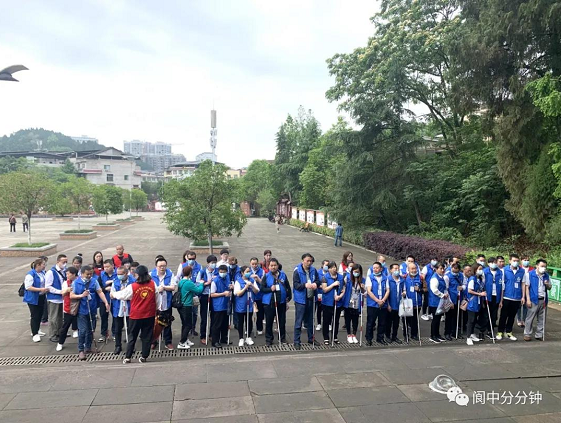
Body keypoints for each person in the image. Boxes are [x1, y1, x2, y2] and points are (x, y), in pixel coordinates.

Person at [111, 265, 161, 363]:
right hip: (149, 314)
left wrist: (113, 294)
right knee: (147, 336)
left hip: (136, 316)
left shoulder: (133, 287)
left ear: (138, 275)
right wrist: (157, 309)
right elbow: (157, 298)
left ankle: (128, 357)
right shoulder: (153, 284)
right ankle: (144, 356)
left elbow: (123, 295)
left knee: (132, 336)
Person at [70, 265, 110, 360]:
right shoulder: (76, 283)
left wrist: (105, 302)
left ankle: (88, 347)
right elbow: (71, 295)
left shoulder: (94, 281)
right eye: (87, 274)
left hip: (92, 309)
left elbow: (100, 292)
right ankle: (81, 349)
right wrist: (81, 295)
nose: (89, 276)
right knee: (82, 330)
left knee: (91, 329)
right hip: (81, 310)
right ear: (82, 274)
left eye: (91, 274)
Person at [262, 259, 292, 346]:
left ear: (277, 266)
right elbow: (262, 288)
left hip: (281, 302)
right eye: (271, 265)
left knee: (282, 321)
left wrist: (288, 297)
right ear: (269, 266)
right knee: (269, 321)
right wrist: (270, 289)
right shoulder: (266, 276)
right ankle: (269, 339)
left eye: (274, 265)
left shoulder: (283, 275)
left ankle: (282, 338)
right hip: (269, 302)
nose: (273, 267)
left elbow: (287, 287)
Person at [292, 253, 319, 349]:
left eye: (310, 261)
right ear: (303, 260)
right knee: (299, 321)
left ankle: (311, 338)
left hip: (311, 298)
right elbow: (296, 285)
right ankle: (296, 341)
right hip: (301, 300)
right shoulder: (297, 271)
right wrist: (304, 285)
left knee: (311, 320)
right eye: (307, 261)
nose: (309, 263)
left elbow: (318, 280)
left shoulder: (313, 270)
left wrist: (316, 284)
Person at [497, 254, 526, 341]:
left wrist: (523, 297)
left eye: (517, 261)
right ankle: (500, 331)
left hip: (517, 297)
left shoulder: (522, 271)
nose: (515, 262)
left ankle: (509, 331)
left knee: (512, 316)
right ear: (510, 261)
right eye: (514, 261)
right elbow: (502, 285)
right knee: (503, 315)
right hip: (506, 297)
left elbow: (523, 284)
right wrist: (501, 299)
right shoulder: (504, 270)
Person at [177, 265, 204, 349]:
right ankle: (181, 342)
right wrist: (201, 284)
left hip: (181, 305)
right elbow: (198, 290)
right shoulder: (189, 283)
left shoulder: (181, 282)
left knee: (184, 324)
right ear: (190, 273)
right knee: (188, 325)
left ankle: (185, 339)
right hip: (187, 305)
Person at [151, 256, 175, 350]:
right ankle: (153, 341)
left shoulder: (170, 274)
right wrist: (158, 289)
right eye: (160, 266)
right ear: (156, 266)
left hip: (166, 302)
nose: (162, 268)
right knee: (154, 324)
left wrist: (164, 287)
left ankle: (168, 341)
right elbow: (150, 288)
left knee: (167, 323)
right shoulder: (151, 275)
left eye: (164, 266)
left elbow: (173, 287)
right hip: (155, 303)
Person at [524, 259, 551, 341]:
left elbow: (549, 287)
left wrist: (547, 284)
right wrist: (528, 299)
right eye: (542, 266)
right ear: (537, 266)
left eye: (545, 267)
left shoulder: (546, 275)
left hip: (543, 299)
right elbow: (527, 287)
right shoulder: (530, 274)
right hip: (533, 299)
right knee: (530, 318)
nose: (544, 268)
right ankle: (527, 334)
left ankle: (539, 334)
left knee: (542, 318)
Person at [23, 258, 49, 342]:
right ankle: (34, 333)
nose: (44, 266)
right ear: (38, 265)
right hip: (32, 298)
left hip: (41, 296)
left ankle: (37, 329)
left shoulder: (42, 273)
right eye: (43, 264)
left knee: (40, 314)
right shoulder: (30, 275)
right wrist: (40, 289)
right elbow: (28, 287)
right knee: (35, 315)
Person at [176, 251, 201, 336]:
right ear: (187, 258)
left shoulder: (199, 266)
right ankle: (186, 330)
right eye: (190, 258)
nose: (191, 260)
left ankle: (192, 329)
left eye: (193, 258)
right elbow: (178, 277)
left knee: (195, 313)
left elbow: (199, 278)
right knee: (186, 314)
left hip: (195, 294)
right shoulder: (182, 266)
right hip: (186, 294)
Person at [110, 266, 134, 354]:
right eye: (118, 274)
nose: (119, 276)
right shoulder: (115, 281)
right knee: (117, 329)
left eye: (121, 274)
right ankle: (118, 346)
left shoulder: (133, 281)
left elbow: (134, 294)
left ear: (126, 273)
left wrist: (126, 292)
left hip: (130, 308)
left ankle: (131, 346)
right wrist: (120, 292)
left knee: (130, 328)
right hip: (118, 308)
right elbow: (111, 295)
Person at [45, 254, 68, 343]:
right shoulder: (51, 272)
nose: (65, 264)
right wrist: (59, 291)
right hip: (53, 298)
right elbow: (48, 286)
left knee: (60, 318)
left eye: (66, 262)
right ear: (58, 262)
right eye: (63, 262)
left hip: (61, 298)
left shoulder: (64, 271)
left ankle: (59, 332)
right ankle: (52, 334)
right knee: (53, 318)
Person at [234, 266, 260, 346]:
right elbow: (237, 293)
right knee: (240, 321)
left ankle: (248, 337)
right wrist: (245, 287)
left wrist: (252, 285)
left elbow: (256, 291)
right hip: (241, 305)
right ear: (242, 273)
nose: (249, 273)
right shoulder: (238, 281)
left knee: (249, 320)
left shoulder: (252, 280)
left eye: (249, 271)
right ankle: (241, 338)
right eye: (247, 271)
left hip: (250, 304)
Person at [365, 261, 389, 346]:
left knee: (382, 322)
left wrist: (383, 300)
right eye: (374, 268)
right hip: (372, 304)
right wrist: (377, 300)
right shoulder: (370, 277)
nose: (375, 269)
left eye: (377, 268)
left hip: (383, 304)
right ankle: (369, 339)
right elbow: (369, 291)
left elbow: (387, 290)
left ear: (381, 269)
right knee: (370, 322)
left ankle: (380, 338)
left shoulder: (385, 278)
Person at [56, 266, 79, 351]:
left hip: (78, 306)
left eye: (68, 274)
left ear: (74, 274)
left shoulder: (79, 281)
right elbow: (62, 293)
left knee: (81, 325)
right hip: (68, 307)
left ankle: (83, 342)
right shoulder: (65, 283)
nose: (67, 275)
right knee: (65, 326)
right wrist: (67, 290)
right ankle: (60, 343)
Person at [321, 261, 344, 345]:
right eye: (332, 267)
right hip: (327, 302)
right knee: (326, 320)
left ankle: (334, 336)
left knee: (336, 320)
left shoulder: (340, 277)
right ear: (329, 269)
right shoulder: (325, 277)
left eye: (335, 267)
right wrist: (333, 284)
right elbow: (324, 289)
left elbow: (343, 289)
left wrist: (340, 296)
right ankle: (326, 337)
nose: (334, 269)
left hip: (337, 302)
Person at [197, 255, 217, 345]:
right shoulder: (202, 272)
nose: (214, 264)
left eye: (215, 263)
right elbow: (197, 284)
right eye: (212, 263)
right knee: (204, 317)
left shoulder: (217, 272)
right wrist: (206, 283)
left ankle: (212, 335)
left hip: (214, 295)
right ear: (208, 263)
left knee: (214, 316)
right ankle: (203, 336)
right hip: (205, 296)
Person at [210, 264, 232, 348]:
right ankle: (215, 341)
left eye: (224, 272)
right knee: (217, 324)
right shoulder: (215, 281)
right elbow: (212, 294)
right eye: (221, 272)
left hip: (226, 304)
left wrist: (231, 287)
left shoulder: (228, 278)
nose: (222, 273)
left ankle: (224, 338)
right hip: (218, 305)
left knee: (225, 323)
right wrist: (223, 294)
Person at [466, 263, 487, 345]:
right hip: (472, 301)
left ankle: (472, 334)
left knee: (475, 319)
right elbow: (469, 290)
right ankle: (468, 337)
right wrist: (480, 294)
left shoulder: (480, 279)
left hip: (478, 301)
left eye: (481, 269)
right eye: (479, 269)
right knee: (471, 320)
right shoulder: (472, 279)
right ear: (475, 270)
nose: (481, 271)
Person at [427, 262, 448, 343]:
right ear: (436, 269)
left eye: (443, 268)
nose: (442, 270)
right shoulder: (434, 278)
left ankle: (437, 334)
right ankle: (433, 335)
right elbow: (434, 290)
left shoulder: (441, 277)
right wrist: (442, 295)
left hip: (440, 301)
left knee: (438, 319)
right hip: (434, 302)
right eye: (440, 269)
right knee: (435, 319)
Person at [484, 257, 503, 339]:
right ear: (488, 263)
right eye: (492, 262)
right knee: (485, 315)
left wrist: (501, 300)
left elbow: (502, 287)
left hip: (496, 296)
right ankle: (482, 330)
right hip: (487, 296)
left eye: (495, 262)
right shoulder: (485, 272)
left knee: (494, 315)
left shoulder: (500, 272)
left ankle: (490, 330)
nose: (493, 264)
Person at [98, 259, 117, 342]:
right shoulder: (101, 275)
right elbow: (98, 288)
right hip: (104, 299)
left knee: (115, 317)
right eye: (104, 267)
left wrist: (112, 285)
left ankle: (114, 333)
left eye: (108, 266)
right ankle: (103, 334)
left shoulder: (118, 273)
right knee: (103, 316)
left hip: (115, 300)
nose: (106, 268)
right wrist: (105, 289)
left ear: (113, 266)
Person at [402, 263, 422, 341]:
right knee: (406, 320)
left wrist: (419, 289)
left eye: (415, 268)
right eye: (412, 268)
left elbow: (425, 290)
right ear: (408, 269)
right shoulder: (404, 278)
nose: (414, 270)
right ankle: (406, 335)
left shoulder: (421, 278)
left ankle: (414, 334)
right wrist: (403, 293)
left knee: (415, 320)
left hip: (417, 302)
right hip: (407, 302)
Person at [444, 262, 464, 340]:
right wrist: (449, 301)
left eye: (456, 268)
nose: (455, 270)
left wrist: (462, 287)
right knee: (449, 317)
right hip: (450, 299)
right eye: (453, 268)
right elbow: (446, 289)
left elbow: (464, 284)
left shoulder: (461, 275)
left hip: (458, 299)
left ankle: (455, 332)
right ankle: (447, 333)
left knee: (457, 317)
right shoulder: (447, 276)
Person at [345, 264, 364, 343]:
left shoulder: (362, 280)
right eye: (355, 271)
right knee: (348, 319)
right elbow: (344, 288)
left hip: (357, 302)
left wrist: (363, 288)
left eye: (358, 272)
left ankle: (354, 334)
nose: (356, 273)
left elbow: (365, 293)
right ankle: (349, 334)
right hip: (348, 301)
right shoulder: (348, 278)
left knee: (355, 319)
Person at [385, 263, 403, 344]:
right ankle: (387, 336)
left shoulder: (401, 280)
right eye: (395, 268)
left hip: (399, 305)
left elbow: (404, 289)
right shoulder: (388, 279)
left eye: (398, 268)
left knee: (396, 322)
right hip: (390, 304)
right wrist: (388, 304)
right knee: (388, 322)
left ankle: (394, 336)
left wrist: (404, 293)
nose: (397, 270)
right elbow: (386, 293)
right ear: (391, 270)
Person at [249, 257, 265, 335]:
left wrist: (258, 279)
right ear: (250, 264)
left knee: (260, 313)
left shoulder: (262, 271)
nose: (254, 265)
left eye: (256, 264)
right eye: (253, 264)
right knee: (249, 313)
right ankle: (249, 328)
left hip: (259, 295)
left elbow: (264, 283)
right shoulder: (248, 271)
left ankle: (259, 328)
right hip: (250, 295)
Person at [517, 255, 534, 328]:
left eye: (527, 260)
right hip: (519, 289)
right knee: (518, 305)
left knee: (526, 306)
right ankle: (518, 319)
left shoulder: (532, 269)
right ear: (521, 261)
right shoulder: (519, 269)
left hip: (528, 289)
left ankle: (524, 320)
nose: (526, 261)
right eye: (524, 260)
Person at [421, 257, 438, 321]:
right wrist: (424, 286)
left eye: (436, 260)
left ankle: (430, 313)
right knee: (426, 300)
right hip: (427, 287)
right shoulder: (426, 268)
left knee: (431, 300)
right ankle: (424, 314)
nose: (434, 261)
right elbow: (422, 277)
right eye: (433, 260)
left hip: (433, 288)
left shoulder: (436, 268)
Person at [315, 260, 330, 331]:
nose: (327, 267)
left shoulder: (330, 273)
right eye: (326, 265)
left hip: (328, 293)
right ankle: (319, 323)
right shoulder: (318, 273)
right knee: (319, 309)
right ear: (322, 265)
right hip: (320, 293)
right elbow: (316, 282)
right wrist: (321, 286)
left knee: (327, 310)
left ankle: (328, 324)